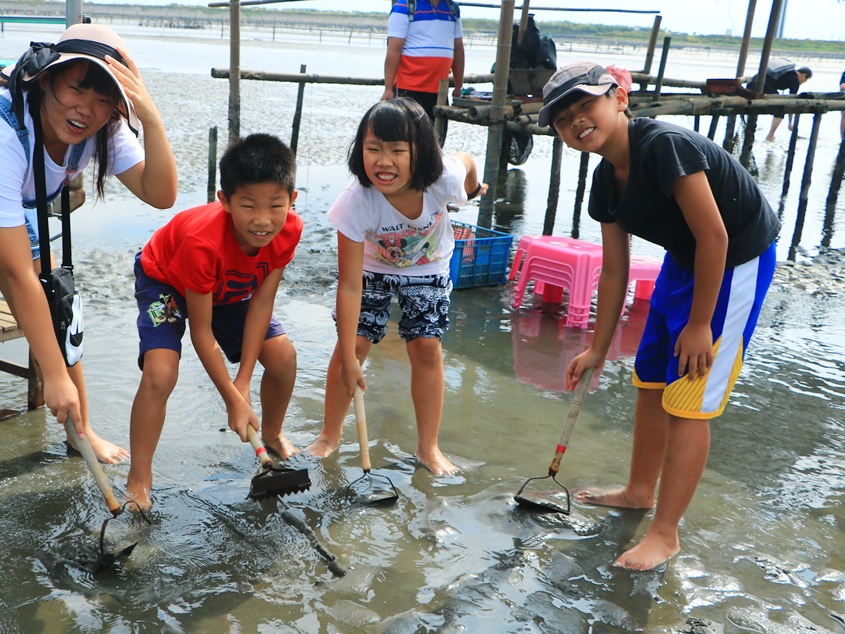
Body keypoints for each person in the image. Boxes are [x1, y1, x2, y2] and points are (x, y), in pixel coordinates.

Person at [0, 23, 178, 537]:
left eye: (105, 96)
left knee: (59, 311)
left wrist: (148, 115)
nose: (85, 107)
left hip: (7, 199)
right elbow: (18, 275)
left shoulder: (105, 126)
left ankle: (80, 433)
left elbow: (161, 194)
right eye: (76, 86)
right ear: (45, 79)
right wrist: (54, 377)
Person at [539, 62, 780, 570]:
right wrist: (597, 348)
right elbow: (613, 271)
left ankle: (665, 535)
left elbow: (716, 236)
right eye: (563, 119)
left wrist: (699, 323)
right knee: (650, 378)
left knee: (688, 398)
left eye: (586, 105)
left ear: (619, 99)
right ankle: (637, 490)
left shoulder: (663, 145)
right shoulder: (605, 184)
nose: (577, 121)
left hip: (734, 261)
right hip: (685, 259)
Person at [305, 98, 486, 476]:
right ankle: (329, 435)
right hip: (371, 267)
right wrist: (353, 360)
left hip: (428, 264)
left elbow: (466, 158)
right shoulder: (356, 201)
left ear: (420, 153)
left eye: (397, 151)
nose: (383, 162)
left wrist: (471, 187)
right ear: (361, 151)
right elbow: (351, 286)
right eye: (373, 149)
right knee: (351, 346)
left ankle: (428, 448)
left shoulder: (443, 180)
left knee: (426, 348)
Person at [125, 133, 302, 511]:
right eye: (248, 206)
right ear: (224, 201)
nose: (262, 220)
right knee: (160, 372)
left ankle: (271, 432)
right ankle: (139, 478)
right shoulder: (202, 242)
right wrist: (231, 398)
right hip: (167, 282)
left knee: (284, 357)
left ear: (292, 200)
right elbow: (201, 332)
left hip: (225, 291)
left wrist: (243, 381)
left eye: (275, 205)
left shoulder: (289, 231)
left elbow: (261, 303)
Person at [382, 0, 465, 144]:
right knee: (406, 141)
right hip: (408, 89)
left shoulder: (452, 9)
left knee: (436, 142)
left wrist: (458, 86)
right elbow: (393, 49)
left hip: (439, 91)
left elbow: (458, 49)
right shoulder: (404, 7)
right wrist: (388, 88)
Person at [746, 59, 812, 141]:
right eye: (805, 80)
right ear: (803, 76)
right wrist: (790, 123)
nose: (803, 82)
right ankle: (770, 135)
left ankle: (748, 129)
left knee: (752, 106)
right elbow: (792, 102)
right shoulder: (795, 80)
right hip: (764, 85)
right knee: (780, 110)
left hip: (752, 83)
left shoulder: (786, 73)